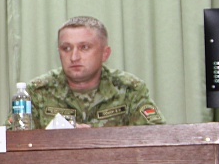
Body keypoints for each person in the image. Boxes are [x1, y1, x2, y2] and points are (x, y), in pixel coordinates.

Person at [24, 16, 164, 128]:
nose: (74, 57)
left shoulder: (129, 90)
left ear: (105, 53)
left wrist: (98, 141)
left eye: (84, 47)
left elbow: (156, 137)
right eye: (66, 48)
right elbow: (16, 142)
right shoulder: (37, 92)